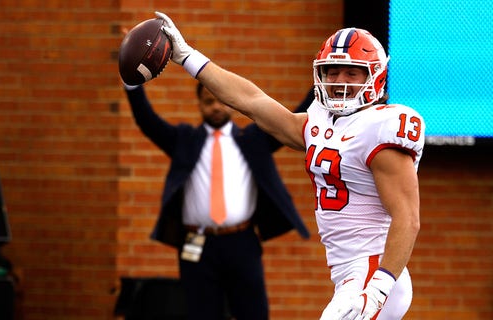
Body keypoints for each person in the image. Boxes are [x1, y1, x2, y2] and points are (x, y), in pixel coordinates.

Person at [154, 11, 425, 320]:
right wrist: (188, 56)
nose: (340, 82)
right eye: (332, 71)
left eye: (352, 72)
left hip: (373, 271)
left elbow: (408, 217)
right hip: (350, 272)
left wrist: (378, 288)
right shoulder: (320, 124)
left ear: (374, 76)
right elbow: (251, 100)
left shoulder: (381, 127)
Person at [122, 79, 312, 320]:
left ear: (232, 104)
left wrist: (320, 82)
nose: (216, 107)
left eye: (221, 101)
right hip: (197, 245)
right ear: (200, 105)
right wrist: (132, 85)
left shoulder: (253, 139)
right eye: (208, 101)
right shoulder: (185, 140)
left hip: (242, 242)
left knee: (253, 313)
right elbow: (147, 121)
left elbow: (294, 118)